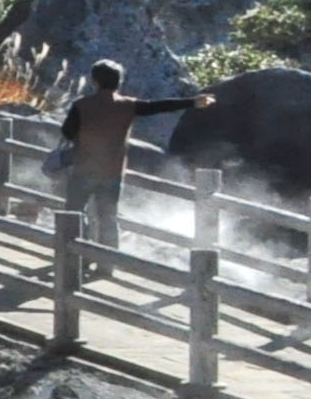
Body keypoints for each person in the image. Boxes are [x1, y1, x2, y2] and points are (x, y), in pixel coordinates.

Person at [58, 58, 212, 255]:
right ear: (119, 82)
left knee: (74, 214)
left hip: (83, 169)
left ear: (94, 81)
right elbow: (158, 106)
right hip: (112, 173)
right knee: (108, 218)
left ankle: (77, 256)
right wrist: (193, 102)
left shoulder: (82, 105)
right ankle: (107, 262)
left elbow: (68, 133)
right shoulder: (128, 105)